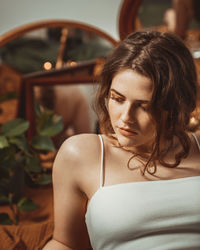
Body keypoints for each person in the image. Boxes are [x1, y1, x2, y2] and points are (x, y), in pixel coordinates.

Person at [43, 30, 200, 250]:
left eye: (144, 106)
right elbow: (64, 243)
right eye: (117, 99)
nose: (125, 118)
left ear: (175, 106)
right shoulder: (81, 154)